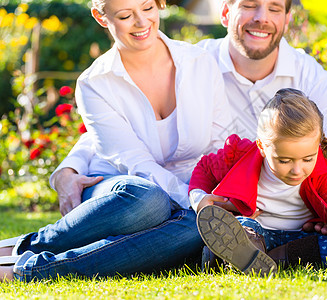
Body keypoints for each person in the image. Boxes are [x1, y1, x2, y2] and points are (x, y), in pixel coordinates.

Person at [50, 0, 327, 256]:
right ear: (226, 13)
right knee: (193, 224)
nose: (261, 18)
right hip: (233, 200)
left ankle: (299, 238)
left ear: (288, 18)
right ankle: (322, 241)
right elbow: (113, 133)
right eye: (250, 6)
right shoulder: (196, 63)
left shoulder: (310, 76)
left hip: (304, 194)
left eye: (274, 7)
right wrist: (70, 166)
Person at [0, 0, 233, 282]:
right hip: (121, 191)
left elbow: (219, 145)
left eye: (148, 9)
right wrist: (193, 199)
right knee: (150, 200)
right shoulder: (94, 83)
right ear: (101, 16)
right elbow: (136, 163)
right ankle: (26, 246)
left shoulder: (199, 63)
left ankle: (27, 271)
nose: (142, 22)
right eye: (125, 15)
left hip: (189, 191)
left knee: (201, 229)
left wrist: (211, 197)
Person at [191, 88, 327, 275]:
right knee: (242, 228)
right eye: (284, 160)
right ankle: (246, 254)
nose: (297, 170)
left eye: (308, 159)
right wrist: (198, 197)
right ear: (262, 147)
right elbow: (204, 168)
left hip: (301, 238)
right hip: (258, 231)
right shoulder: (239, 156)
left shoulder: (324, 175)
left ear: (318, 146)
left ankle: (261, 260)